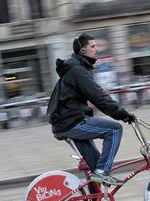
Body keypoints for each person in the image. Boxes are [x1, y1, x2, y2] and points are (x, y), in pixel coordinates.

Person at [51, 32, 135, 189]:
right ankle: (103, 172)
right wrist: (123, 115)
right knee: (114, 130)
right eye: (93, 46)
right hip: (71, 122)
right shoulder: (78, 70)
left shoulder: (78, 68)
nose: (97, 49)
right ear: (82, 51)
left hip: (66, 121)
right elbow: (99, 97)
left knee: (94, 164)